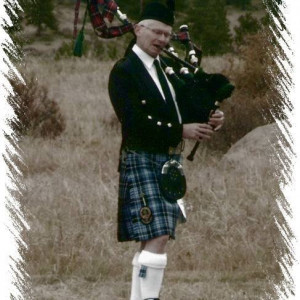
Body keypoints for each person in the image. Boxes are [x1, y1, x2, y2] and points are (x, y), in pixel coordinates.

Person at [108, 2, 224, 300]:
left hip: (167, 161)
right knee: (158, 234)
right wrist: (179, 130)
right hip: (141, 155)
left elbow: (184, 110)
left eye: (167, 35)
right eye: (157, 32)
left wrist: (211, 118)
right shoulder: (124, 71)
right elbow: (133, 122)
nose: (162, 40)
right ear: (138, 30)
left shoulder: (165, 68)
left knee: (155, 236)